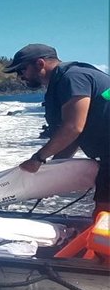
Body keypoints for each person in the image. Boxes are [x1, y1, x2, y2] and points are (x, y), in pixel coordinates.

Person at [7, 44, 109, 215]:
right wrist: (52, 174)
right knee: (103, 211)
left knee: (104, 215)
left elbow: (73, 127)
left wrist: (38, 159)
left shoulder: (72, 78)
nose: (20, 76)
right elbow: (73, 137)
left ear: (40, 63)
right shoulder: (64, 80)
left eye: (21, 70)